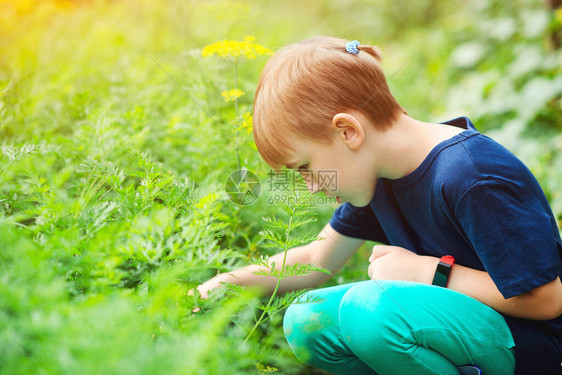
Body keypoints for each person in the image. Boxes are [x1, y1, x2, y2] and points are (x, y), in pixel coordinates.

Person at [196, 36, 562, 374]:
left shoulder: (470, 175)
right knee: (308, 319)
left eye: (304, 167)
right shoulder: (380, 176)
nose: (309, 187)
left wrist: (427, 273)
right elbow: (316, 261)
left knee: (369, 312)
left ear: (348, 131)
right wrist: (226, 283)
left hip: (532, 346)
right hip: (465, 330)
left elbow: (547, 299)